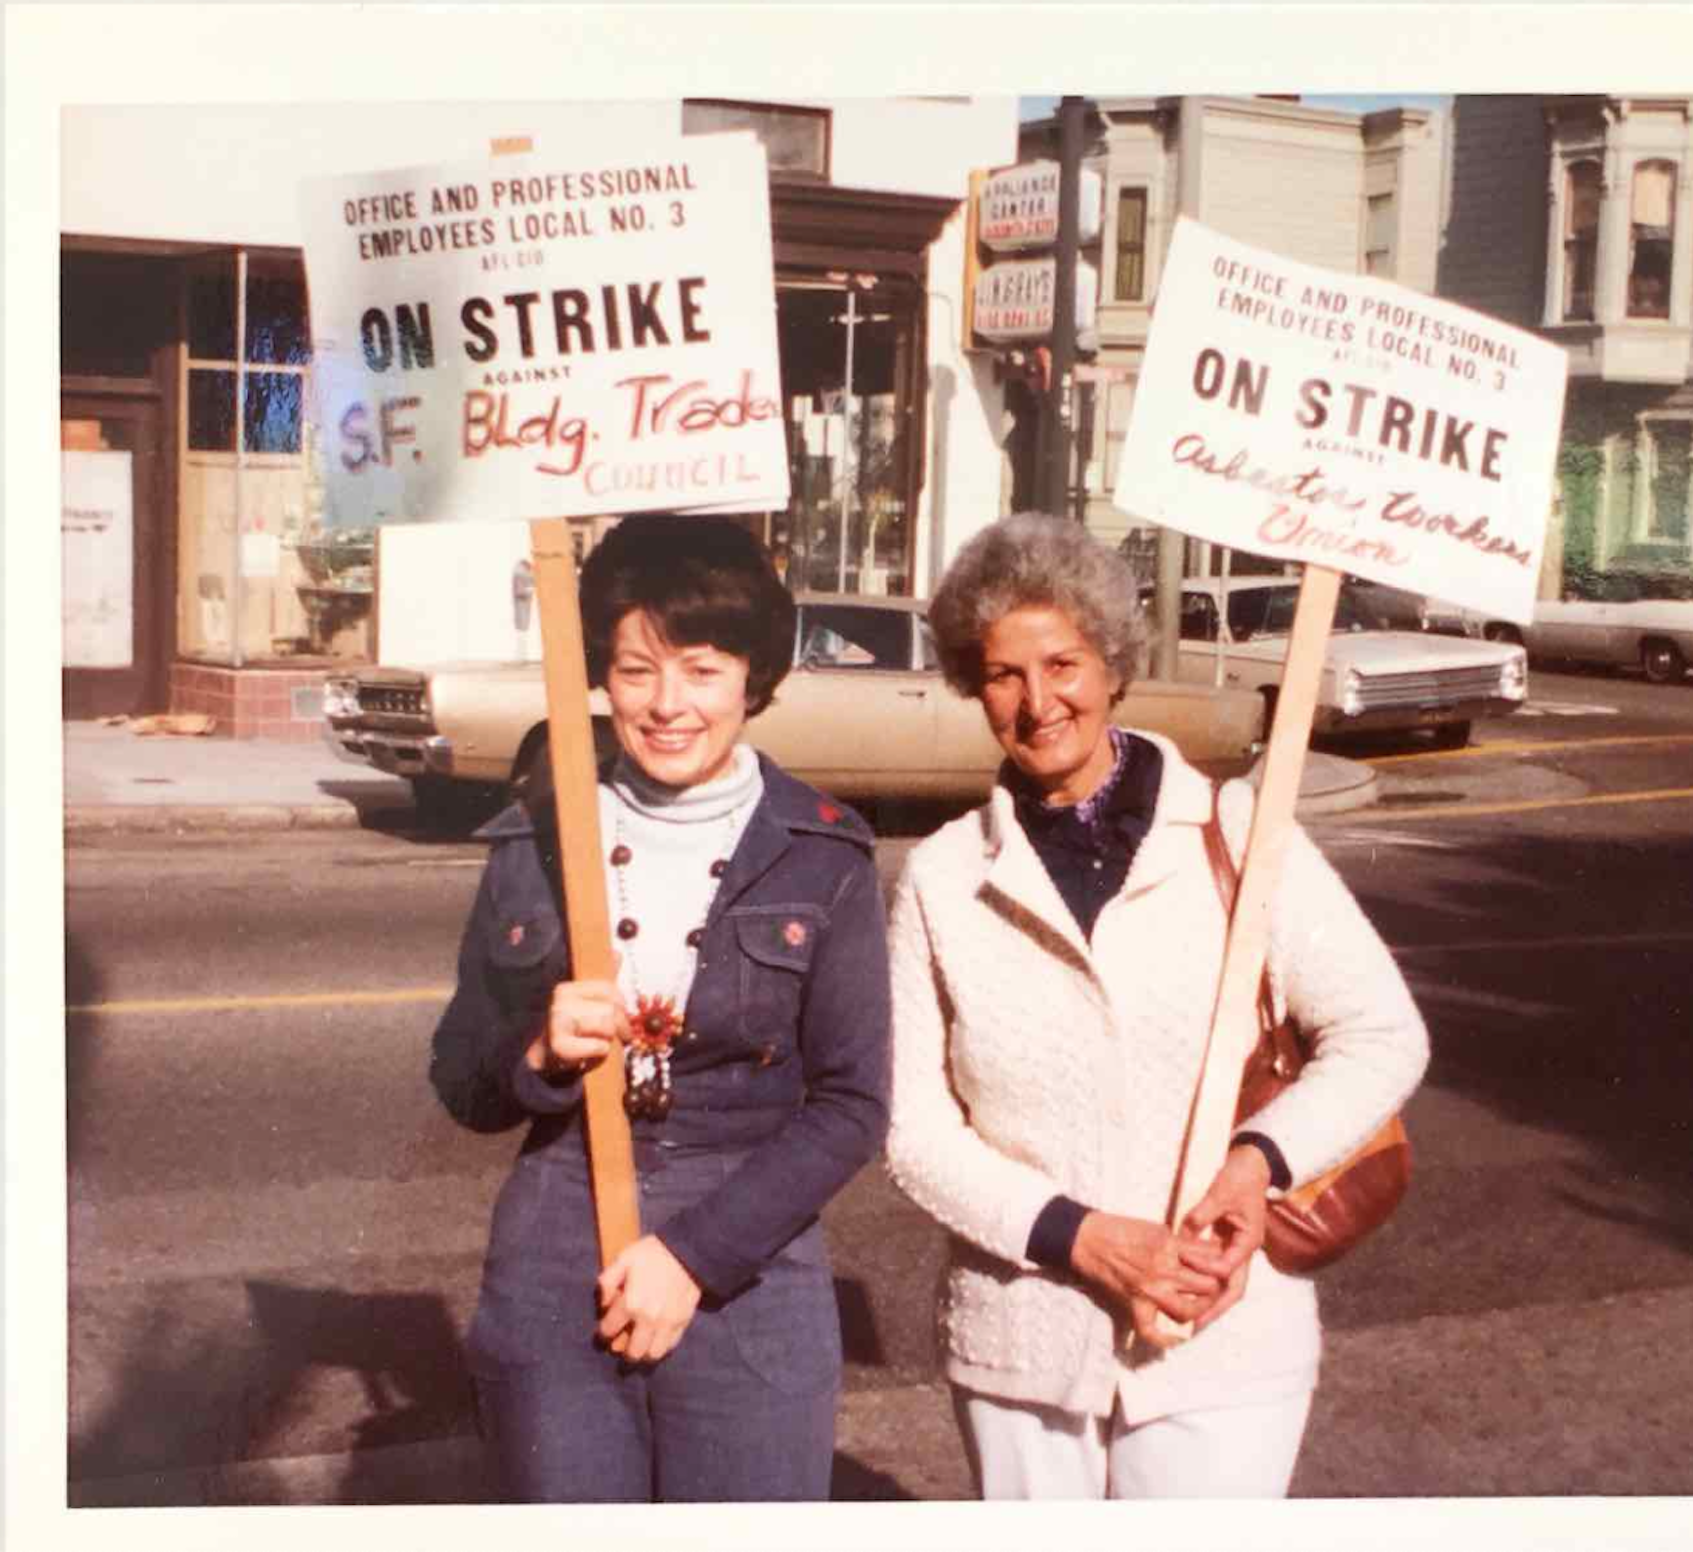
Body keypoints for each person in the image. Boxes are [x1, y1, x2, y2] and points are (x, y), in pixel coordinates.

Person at [884, 513, 1429, 1499]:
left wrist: (1256, 1162)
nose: (1038, 700)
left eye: (1062, 662)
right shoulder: (941, 875)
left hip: (1220, 1341)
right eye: (1003, 673)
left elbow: (1379, 1033)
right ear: (972, 683)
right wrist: (1076, 1235)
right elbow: (911, 1129)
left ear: (1111, 661)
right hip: (1021, 1351)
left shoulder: (1233, 832)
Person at [430, 514, 891, 1502]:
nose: (667, 704)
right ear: (599, 674)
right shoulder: (538, 835)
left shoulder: (821, 851)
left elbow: (852, 1106)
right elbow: (461, 1075)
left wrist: (691, 1256)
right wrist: (539, 1052)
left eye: (702, 669)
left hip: (747, 1254)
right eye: (636, 670)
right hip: (556, 1245)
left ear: (753, 679)